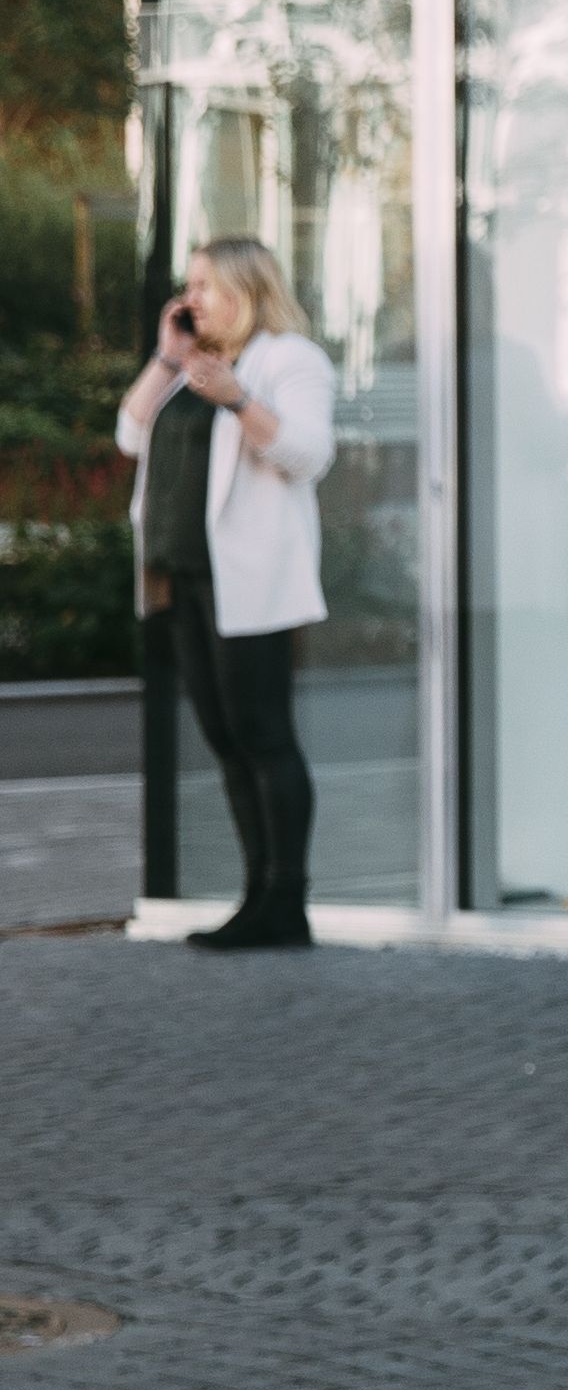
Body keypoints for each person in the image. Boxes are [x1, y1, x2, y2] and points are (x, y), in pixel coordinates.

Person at [114, 236, 336, 949]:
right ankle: (255, 897)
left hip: (251, 581)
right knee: (225, 740)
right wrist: (166, 358)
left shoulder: (288, 360)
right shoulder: (189, 369)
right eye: (190, 285)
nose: (190, 299)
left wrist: (239, 398)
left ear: (245, 288)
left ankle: (286, 902)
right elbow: (128, 433)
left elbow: (307, 454)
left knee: (263, 736)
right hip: (184, 581)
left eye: (204, 285)